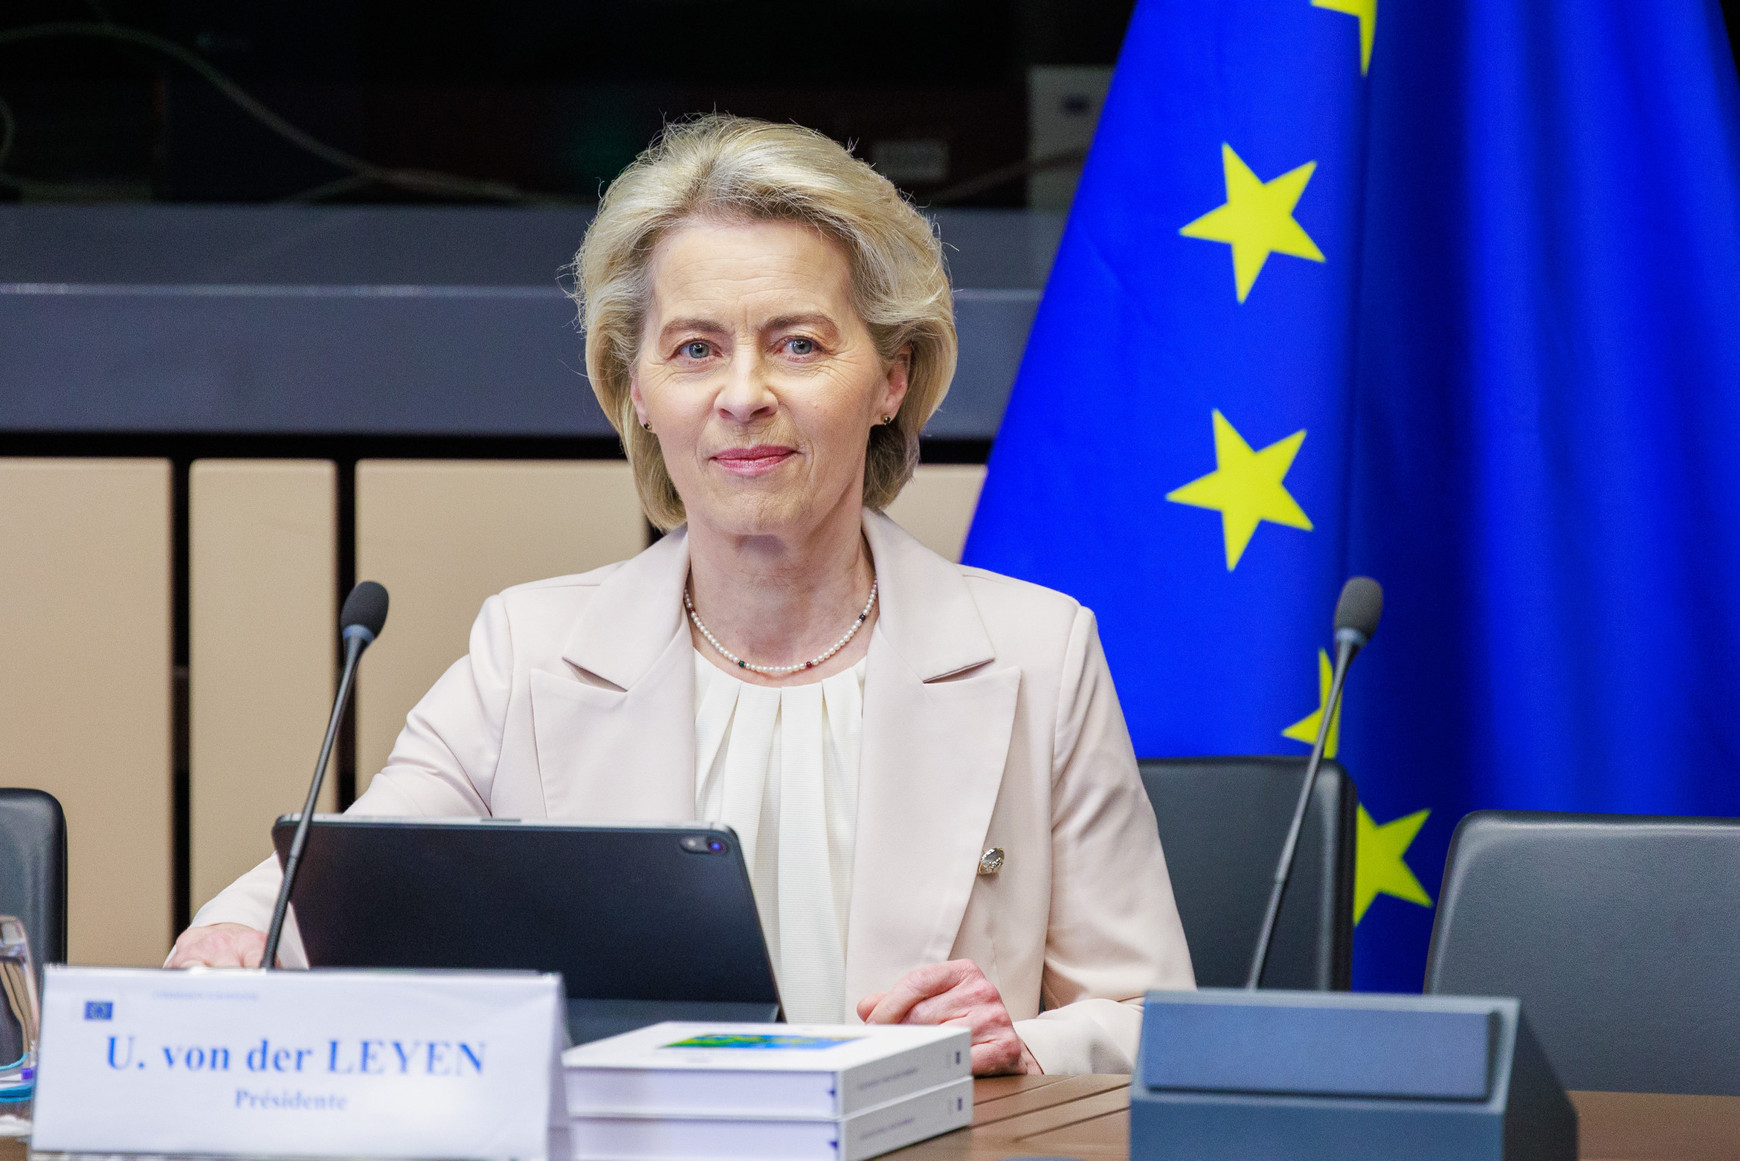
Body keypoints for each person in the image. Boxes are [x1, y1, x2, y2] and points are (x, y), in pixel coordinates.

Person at [168, 114, 1194, 1075]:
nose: (743, 395)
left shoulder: (1036, 652)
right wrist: (229, 948)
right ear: (640, 393)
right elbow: (338, 892)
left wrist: (1021, 1041)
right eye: (695, 349)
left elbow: (1151, 1021)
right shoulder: (531, 651)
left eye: (798, 342)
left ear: (890, 377)